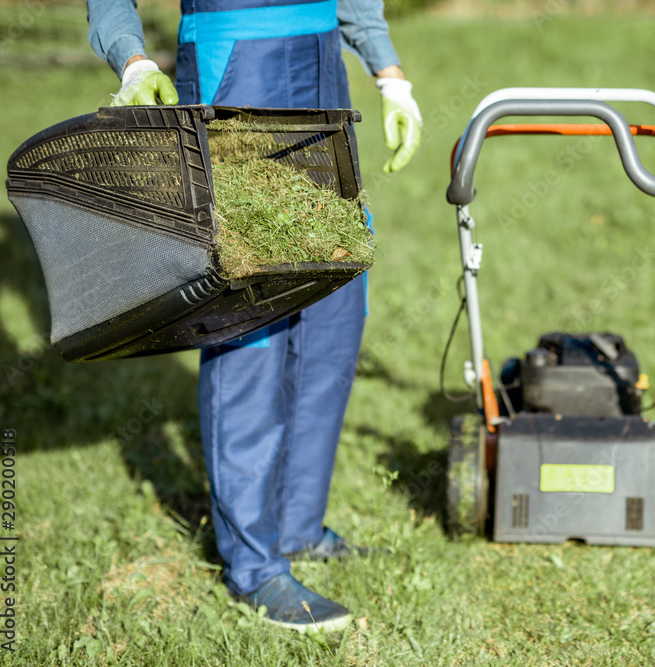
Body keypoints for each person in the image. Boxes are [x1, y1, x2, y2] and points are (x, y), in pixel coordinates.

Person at [86, 0, 422, 634]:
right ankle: (253, 563)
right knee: (252, 312)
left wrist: (390, 74)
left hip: (324, 61)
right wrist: (132, 59)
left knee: (334, 297)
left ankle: (297, 525)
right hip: (235, 62)